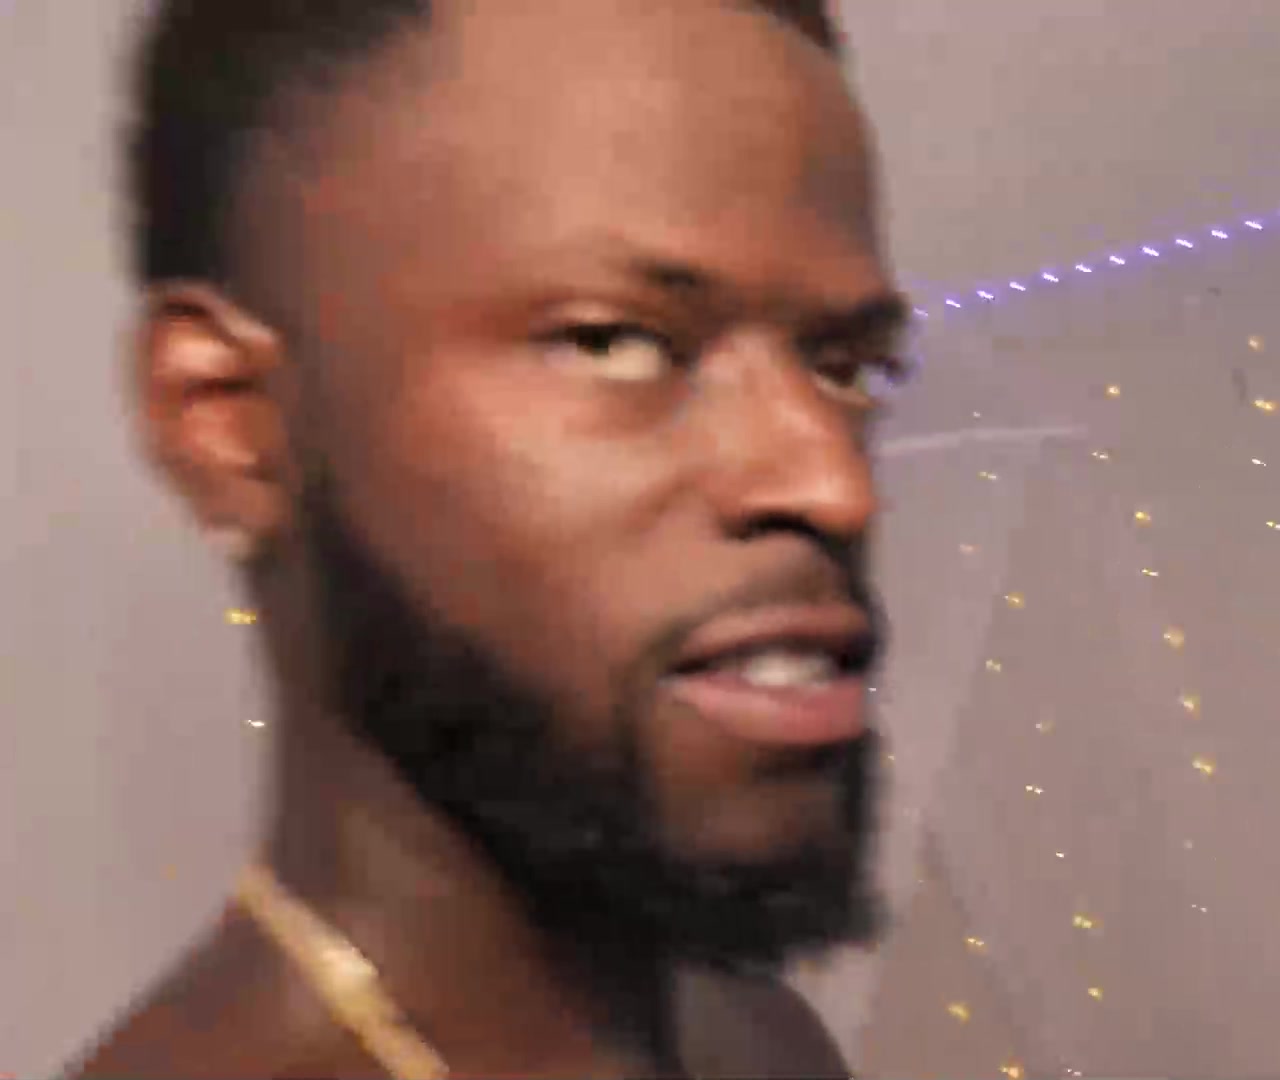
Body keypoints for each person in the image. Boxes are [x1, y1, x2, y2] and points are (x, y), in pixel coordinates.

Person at [75, 0, 909, 1076]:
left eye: (846, 367)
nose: (835, 485)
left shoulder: (754, 1041)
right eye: (615, 343)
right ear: (229, 421)